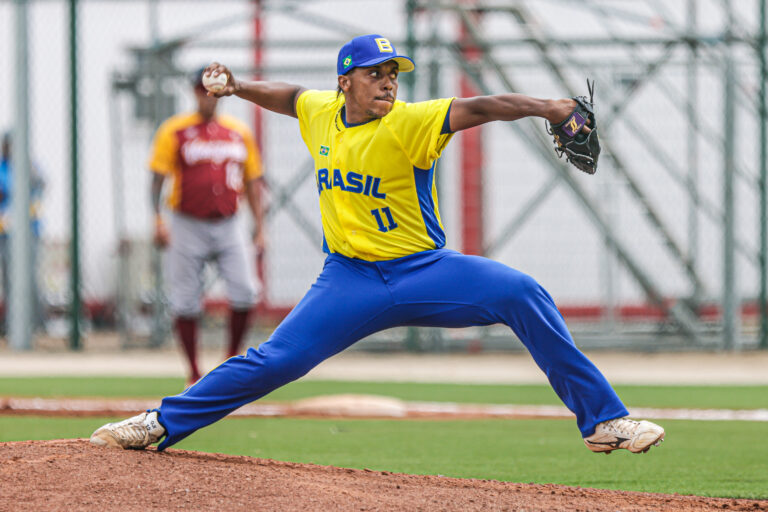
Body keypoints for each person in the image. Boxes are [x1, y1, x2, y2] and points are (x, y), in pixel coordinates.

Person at [91, 35, 665, 455]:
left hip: (425, 270)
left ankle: (603, 420)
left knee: (521, 292)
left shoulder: (411, 121)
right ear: (345, 82)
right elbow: (289, 96)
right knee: (277, 360)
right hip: (349, 279)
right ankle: (159, 423)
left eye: (393, 72)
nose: (388, 81)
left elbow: (485, 107)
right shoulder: (322, 112)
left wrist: (552, 106)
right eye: (374, 73)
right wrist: (239, 86)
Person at [147, 67, 265, 385]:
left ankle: (229, 361)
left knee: (245, 290)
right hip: (186, 222)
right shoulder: (175, 130)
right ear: (194, 92)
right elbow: (157, 179)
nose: (207, 96)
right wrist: (157, 220)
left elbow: (253, 182)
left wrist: (260, 226)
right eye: (202, 89)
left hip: (230, 221)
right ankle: (194, 371)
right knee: (185, 298)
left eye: (213, 90)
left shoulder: (238, 131)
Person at [0, 131, 46, 335]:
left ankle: (37, 323)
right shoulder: (2, 168)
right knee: (9, 277)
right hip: (5, 232)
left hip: (29, 232)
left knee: (30, 277)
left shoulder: (30, 167)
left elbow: (41, 188)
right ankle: (13, 324)